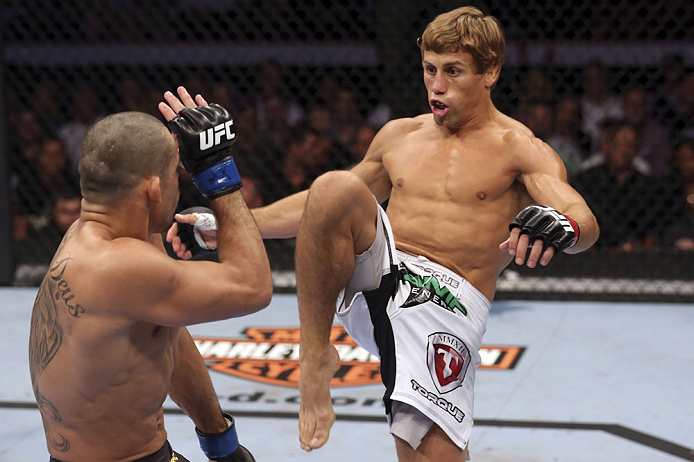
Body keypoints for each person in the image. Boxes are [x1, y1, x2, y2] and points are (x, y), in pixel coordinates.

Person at [162, 7, 599, 461]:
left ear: (490, 72)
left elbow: (582, 220)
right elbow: (321, 209)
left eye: (453, 71)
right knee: (335, 186)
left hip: (445, 302)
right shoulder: (400, 136)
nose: (437, 85)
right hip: (379, 268)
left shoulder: (519, 147)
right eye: (430, 69)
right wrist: (227, 226)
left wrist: (562, 226)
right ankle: (315, 358)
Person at [29, 104, 272, 461]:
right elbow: (253, 286)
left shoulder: (97, 236)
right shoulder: (119, 267)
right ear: (154, 188)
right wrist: (217, 173)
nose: (181, 180)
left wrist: (220, 441)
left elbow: (165, 336)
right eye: (177, 173)